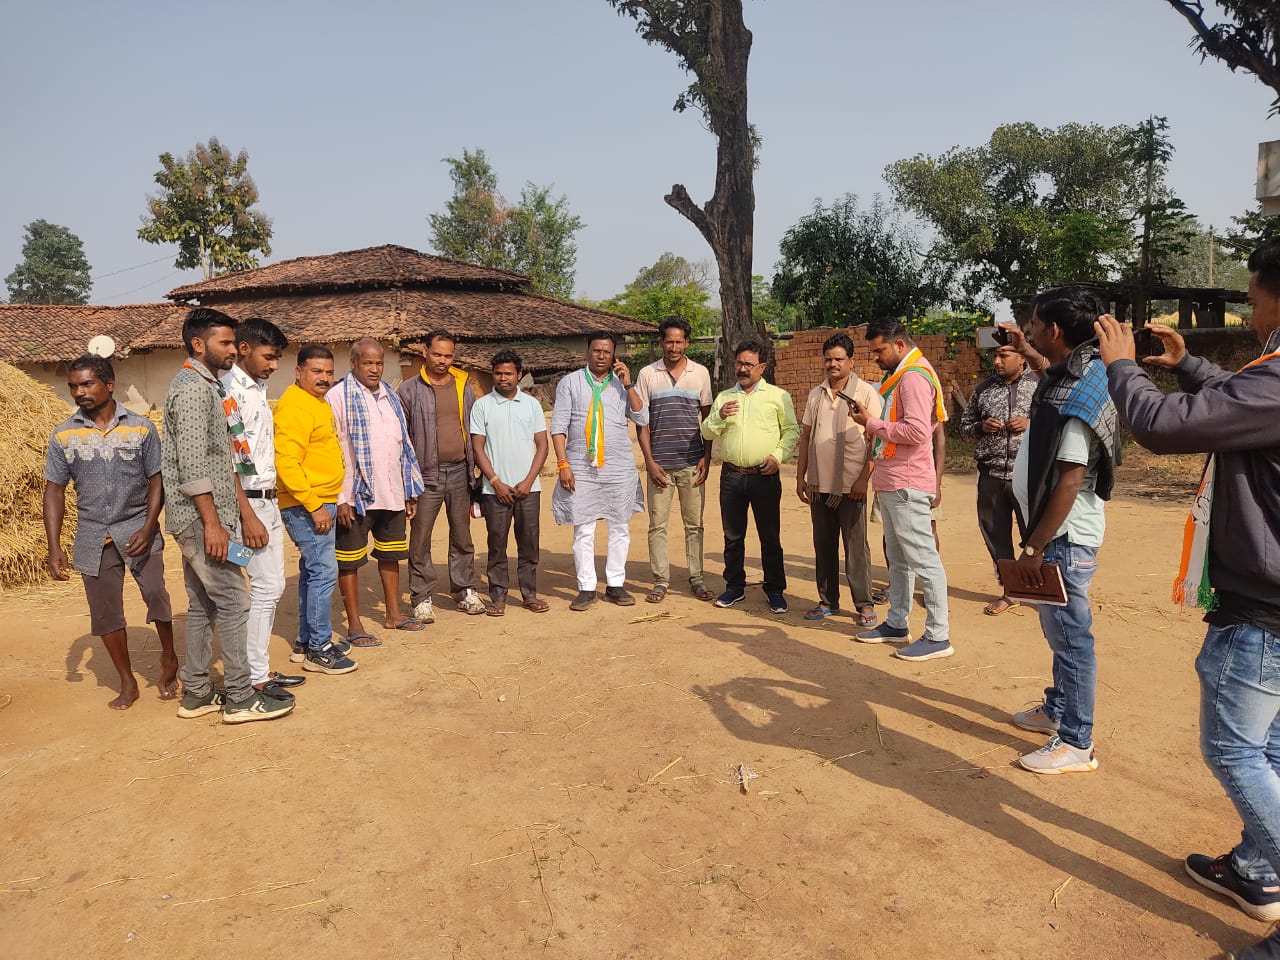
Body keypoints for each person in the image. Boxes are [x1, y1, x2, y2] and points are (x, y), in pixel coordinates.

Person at [1099, 242, 1280, 956]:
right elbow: (1243, 403)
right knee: (1269, 747)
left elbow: (1164, 426)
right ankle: (1259, 869)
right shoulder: (1268, 379)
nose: (1250, 310)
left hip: (1263, 608)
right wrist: (1191, 366)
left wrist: (1122, 365)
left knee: (1232, 750)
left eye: (1252, 297)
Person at [998, 285, 1119, 775]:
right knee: (1059, 631)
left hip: (1064, 537)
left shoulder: (1083, 391)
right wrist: (1028, 353)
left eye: (1032, 324)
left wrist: (1034, 546)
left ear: (1053, 328)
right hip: (1058, 535)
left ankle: (1076, 742)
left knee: (1071, 638)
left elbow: (1069, 479)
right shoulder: (1074, 374)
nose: (1027, 330)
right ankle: (1058, 709)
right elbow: (1050, 372)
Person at [162, 308, 293, 722]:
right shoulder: (192, 390)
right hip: (202, 521)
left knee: (204, 605)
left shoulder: (209, 386)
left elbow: (222, 461)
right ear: (198, 344)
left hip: (211, 518)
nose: (233, 350)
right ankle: (240, 695)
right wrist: (213, 524)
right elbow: (193, 467)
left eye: (234, 342)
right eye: (225, 343)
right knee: (237, 599)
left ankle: (198, 692)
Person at [43, 354, 177, 710]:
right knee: (105, 612)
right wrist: (54, 547)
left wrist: (148, 527)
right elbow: (54, 490)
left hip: (137, 528)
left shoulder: (141, 428)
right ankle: (127, 681)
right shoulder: (63, 435)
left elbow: (157, 479)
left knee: (156, 594)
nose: (79, 392)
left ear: (109, 384)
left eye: (87, 384)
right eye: (73, 386)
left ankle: (169, 658)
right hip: (92, 535)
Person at [850, 317, 952, 661]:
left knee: (924, 559)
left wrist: (871, 423)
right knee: (898, 560)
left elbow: (918, 432)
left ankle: (938, 635)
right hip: (894, 481)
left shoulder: (913, 377)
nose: (875, 357)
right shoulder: (899, 376)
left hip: (907, 482)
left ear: (899, 344)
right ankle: (897, 623)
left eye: (879, 350)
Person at [220, 318, 305, 702]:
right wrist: (248, 514)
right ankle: (252, 675)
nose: (274, 365)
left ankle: (259, 668)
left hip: (267, 500)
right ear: (244, 349)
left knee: (271, 586)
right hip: (249, 504)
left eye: (277, 358)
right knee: (261, 587)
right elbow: (231, 461)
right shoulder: (230, 392)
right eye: (268, 356)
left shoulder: (256, 389)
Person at [329, 338, 425, 643]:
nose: (374, 369)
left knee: (390, 554)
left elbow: (403, 446)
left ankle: (393, 614)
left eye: (379, 363)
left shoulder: (390, 396)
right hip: (354, 496)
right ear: (353, 364)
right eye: (368, 363)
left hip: (391, 492)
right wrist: (339, 499)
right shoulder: (337, 397)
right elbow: (331, 450)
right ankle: (354, 625)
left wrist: (409, 491)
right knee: (349, 561)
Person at [275, 344, 358, 676]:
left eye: (329, 372)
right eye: (316, 371)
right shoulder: (295, 407)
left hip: (320, 499)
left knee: (313, 571)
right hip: (306, 503)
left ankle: (307, 640)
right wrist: (314, 506)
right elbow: (287, 463)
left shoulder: (315, 402)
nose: (324, 378)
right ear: (299, 372)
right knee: (323, 572)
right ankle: (319, 650)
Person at [701, 339, 799, 614]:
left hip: (764, 476)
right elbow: (706, 432)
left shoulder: (777, 397)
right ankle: (734, 586)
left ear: (762, 367)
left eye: (748, 364)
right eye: (739, 363)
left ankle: (775, 589)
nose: (742, 369)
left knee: (770, 536)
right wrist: (719, 417)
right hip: (732, 476)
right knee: (733, 536)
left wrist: (777, 457)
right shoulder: (724, 397)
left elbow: (792, 431)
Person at [551, 331, 648, 610]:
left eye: (607, 351)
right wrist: (563, 464)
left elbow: (642, 416)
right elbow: (558, 426)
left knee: (620, 526)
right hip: (581, 467)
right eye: (596, 350)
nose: (601, 356)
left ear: (613, 355)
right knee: (584, 527)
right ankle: (586, 587)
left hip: (618, 467)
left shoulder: (622, 384)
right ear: (587, 353)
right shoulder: (570, 383)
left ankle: (615, 584)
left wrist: (628, 384)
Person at [397, 330, 487, 621]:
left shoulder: (463, 386)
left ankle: (464, 590)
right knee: (421, 538)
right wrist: (407, 481)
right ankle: (421, 597)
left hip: (461, 471)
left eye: (448, 356)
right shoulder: (409, 390)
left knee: (462, 535)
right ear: (425, 352)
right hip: (425, 476)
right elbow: (401, 438)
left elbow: (475, 428)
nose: (442, 360)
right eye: (437, 354)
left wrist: (477, 470)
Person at [795, 332, 882, 626]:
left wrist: (863, 479)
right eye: (829, 359)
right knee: (823, 545)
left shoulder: (865, 394)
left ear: (851, 361)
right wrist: (800, 477)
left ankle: (864, 605)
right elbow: (807, 437)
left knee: (856, 549)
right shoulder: (816, 394)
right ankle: (827, 601)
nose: (833, 364)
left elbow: (876, 440)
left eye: (839, 359)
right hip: (819, 485)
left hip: (850, 486)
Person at [635, 316, 715, 604]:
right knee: (657, 525)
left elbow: (708, 420)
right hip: (660, 466)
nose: (674, 347)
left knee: (694, 524)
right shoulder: (647, 374)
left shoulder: (700, 373)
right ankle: (660, 581)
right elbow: (642, 423)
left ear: (687, 343)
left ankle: (697, 578)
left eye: (679, 341)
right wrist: (649, 461)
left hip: (692, 463)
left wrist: (706, 457)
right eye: (669, 341)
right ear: (661, 342)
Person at [959, 343, 1037, 616]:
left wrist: (1030, 423)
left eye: (1004, 355)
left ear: (1021, 357)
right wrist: (981, 427)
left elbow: (1059, 423)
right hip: (991, 475)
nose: (996, 361)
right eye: (995, 356)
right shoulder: (983, 389)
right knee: (996, 536)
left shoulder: (1040, 384)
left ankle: (1041, 589)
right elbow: (964, 429)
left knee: (1035, 535)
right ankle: (1011, 590)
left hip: (1028, 476)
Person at [470, 349, 549, 615]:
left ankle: (529, 594)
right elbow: (477, 447)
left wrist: (528, 481)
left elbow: (542, 446)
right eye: (498, 373)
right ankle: (498, 597)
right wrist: (495, 481)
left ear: (519, 374)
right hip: (495, 491)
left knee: (528, 544)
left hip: (529, 489)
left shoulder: (532, 405)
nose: (503, 378)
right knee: (497, 544)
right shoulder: (482, 405)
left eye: (508, 373)